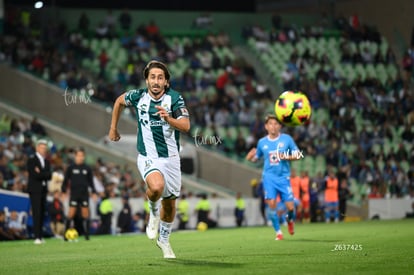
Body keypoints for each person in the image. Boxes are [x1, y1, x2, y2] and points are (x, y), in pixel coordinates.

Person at [108, 60, 190, 258]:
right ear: (147, 80)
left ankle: (164, 240)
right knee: (156, 187)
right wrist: (113, 128)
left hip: (170, 159)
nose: (156, 81)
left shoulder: (175, 99)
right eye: (152, 77)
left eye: (160, 77)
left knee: (170, 205)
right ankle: (153, 212)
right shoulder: (138, 96)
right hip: (148, 156)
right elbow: (119, 101)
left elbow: (186, 126)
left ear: (166, 82)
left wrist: (169, 119)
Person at [246, 114, 301, 240]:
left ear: (280, 126)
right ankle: (278, 232)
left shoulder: (287, 139)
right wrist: (250, 157)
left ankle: (290, 220)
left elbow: (298, 155)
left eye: (276, 124)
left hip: (283, 178)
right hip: (268, 178)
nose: (273, 126)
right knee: (271, 204)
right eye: (270, 124)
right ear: (266, 126)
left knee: (291, 208)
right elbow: (256, 158)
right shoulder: (262, 142)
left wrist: (286, 157)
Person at [61, 148, 96, 241]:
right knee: (71, 213)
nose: (81, 158)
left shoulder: (87, 168)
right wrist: (63, 192)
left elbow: (91, 182)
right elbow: (65, 181)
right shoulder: (71, 168)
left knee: (85, 214)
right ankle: (65, 236)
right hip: (74, 194)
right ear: (75, 156)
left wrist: (94, 192)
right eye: (79, 155)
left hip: (84, 194)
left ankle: (87, 236)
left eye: (82, 156)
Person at [27, 139, 52, 244]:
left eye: (45, 148)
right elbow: (34, 174)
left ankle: (40, 236)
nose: (43, 149)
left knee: (42, 213)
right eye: (42, 147)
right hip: (35, 190)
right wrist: (44, 174)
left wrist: (41, 172)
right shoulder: (32, 159)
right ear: (37, 148)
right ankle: (36, 236)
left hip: (43, 190)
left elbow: (49, 175)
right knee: (36, 212)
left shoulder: (46, 161)